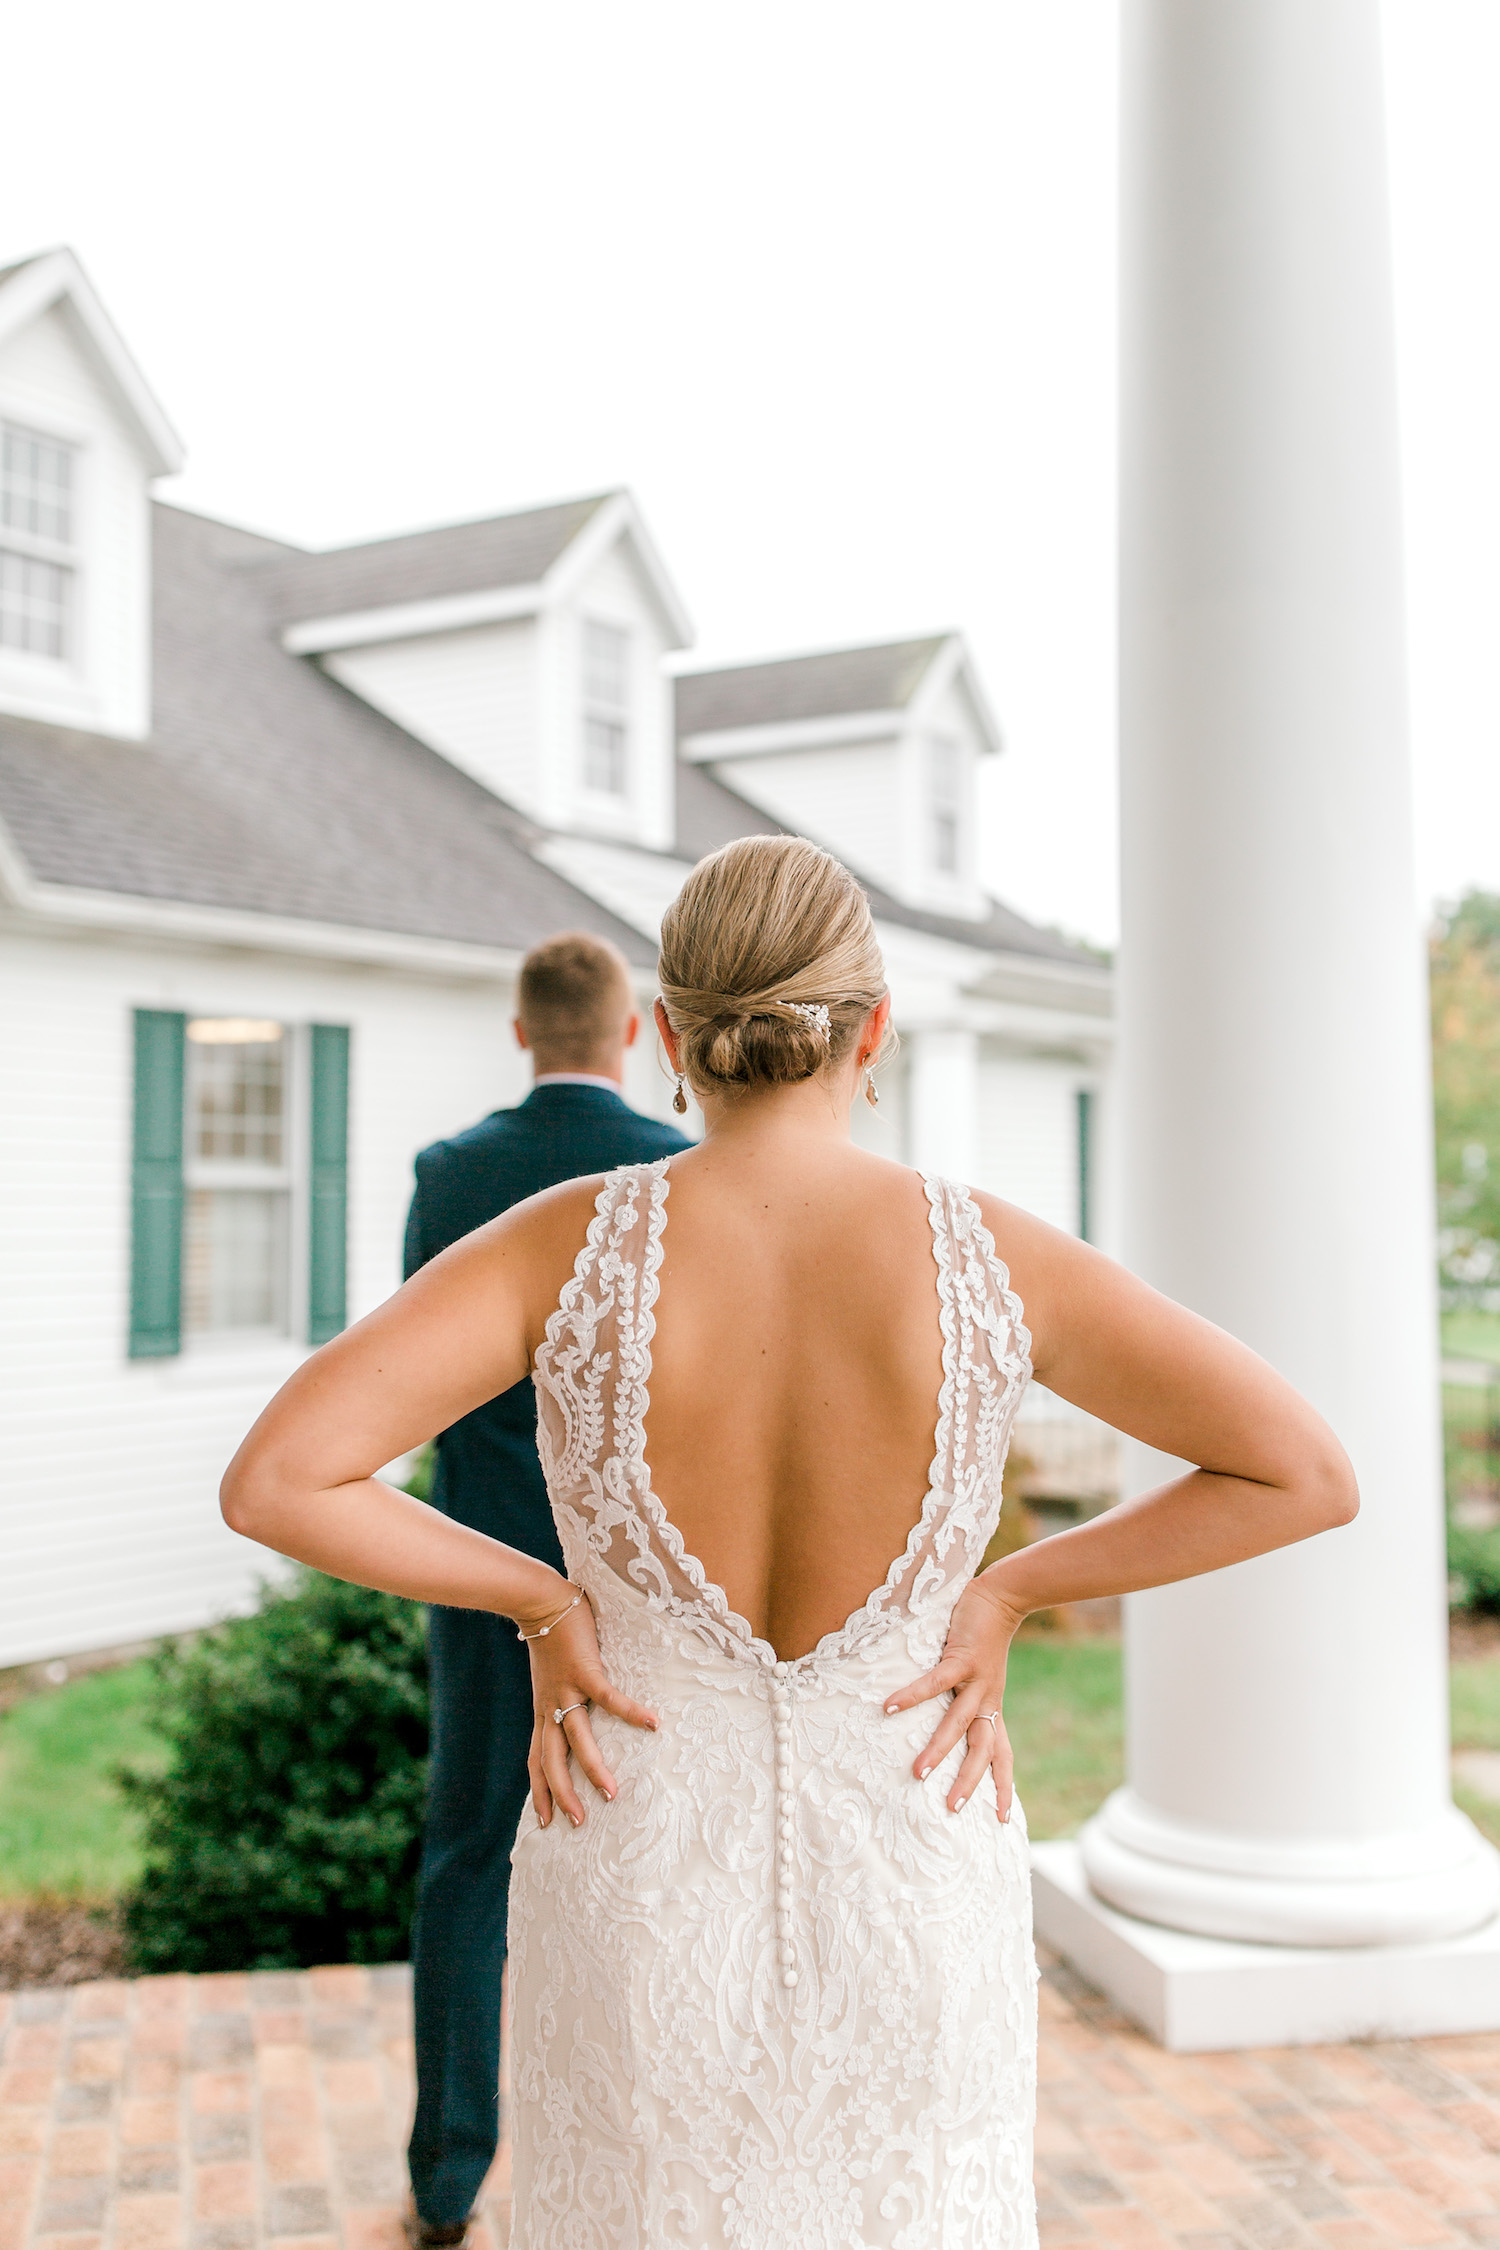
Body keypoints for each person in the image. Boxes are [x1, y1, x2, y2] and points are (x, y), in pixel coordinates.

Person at [221, 835, 1357, 2250]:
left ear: (676, 1036)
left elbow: (278, 1478)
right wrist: (1008, 1592)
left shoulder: (557, 1245)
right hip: (910, 1863)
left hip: (635, 1862)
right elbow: (1303, 1470)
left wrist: (537, 1599)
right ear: (872, 1027)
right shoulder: (996, 1256)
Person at [398, 932, 689, 2243]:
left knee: (465, 1860)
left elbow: (432, 1384)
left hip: (482, 1576)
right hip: (637, 1582)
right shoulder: (681, 1173)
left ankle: (450, 2177)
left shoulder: (451, 1176)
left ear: (524, 1035)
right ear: (632, 1033)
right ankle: (650, 2162)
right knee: (656, 1862)